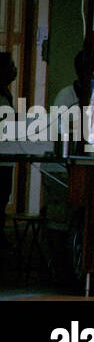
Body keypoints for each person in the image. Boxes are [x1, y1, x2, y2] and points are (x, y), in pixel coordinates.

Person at [0, 53, 15, 223]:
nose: (15, 71)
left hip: (6, 153)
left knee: (3, 195)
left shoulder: (5, 92)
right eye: (11, 67)